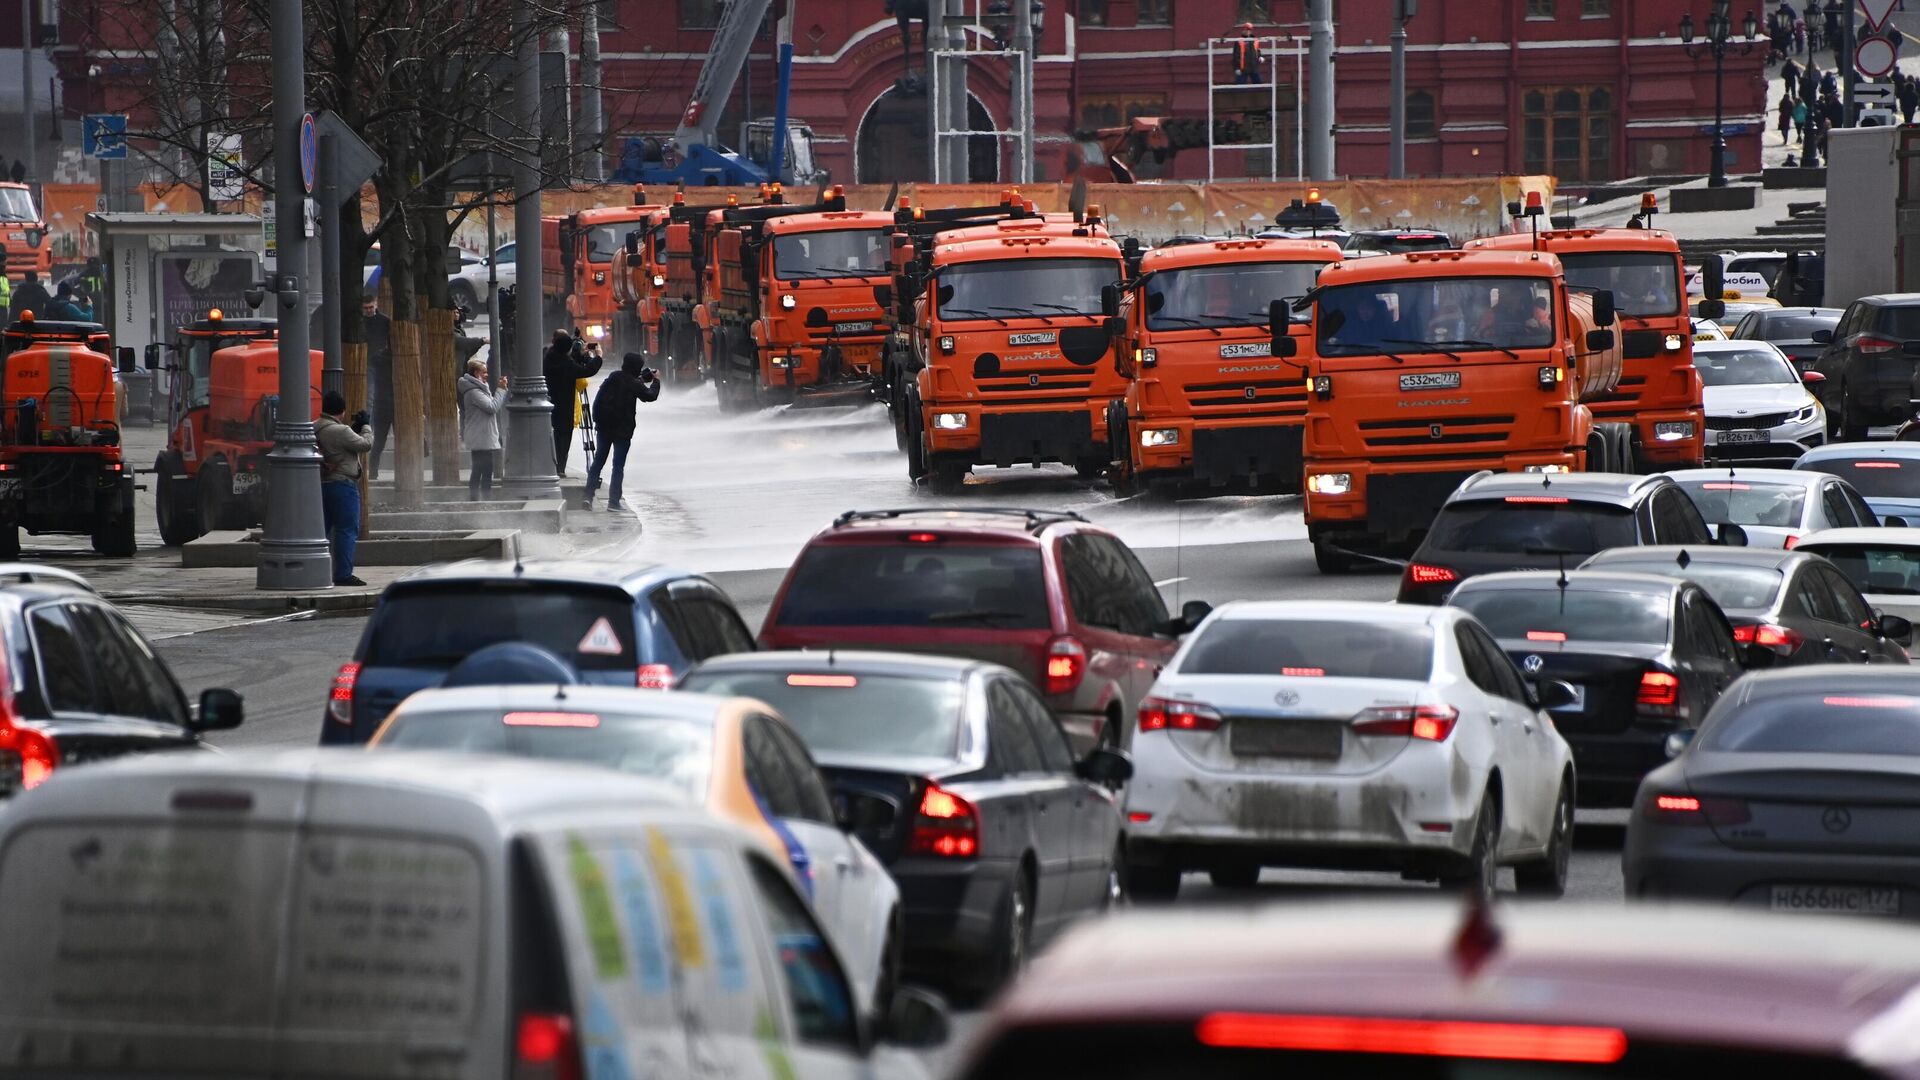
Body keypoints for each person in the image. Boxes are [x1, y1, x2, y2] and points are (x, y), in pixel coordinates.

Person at [584, 352, 661, 512]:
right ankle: (613, 502)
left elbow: (626, 383)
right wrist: (656, 381)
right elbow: (650, 396)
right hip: (622, 431)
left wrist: (641, 380)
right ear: (637, 368)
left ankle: (587, 497)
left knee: (598, 461)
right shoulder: (633, 384)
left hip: (604, 427)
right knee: (617, 466)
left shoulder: (613, 377)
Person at [314, 391, 373, 587]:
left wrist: (352, 429)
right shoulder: (341, 431)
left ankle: (318, 570)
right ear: (342, 410)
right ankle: (343, 574)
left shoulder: (315, 426)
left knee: (323, 530)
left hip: (322, 485)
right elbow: (365, 445)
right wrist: (365, 426)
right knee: (347, 530)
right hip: (343, 485)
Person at [543, 328, 603, 473]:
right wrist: (598, 357)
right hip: (564, 406)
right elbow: (587, 371)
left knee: (553, 435)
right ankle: (560, 468)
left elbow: (569, 363)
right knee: (563, 437)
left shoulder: (548, 356)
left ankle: (552, 465)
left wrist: (577, 354)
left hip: (548, 404)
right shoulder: (567, 364)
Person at [457, 357, 508, 501]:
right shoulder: (474, 392)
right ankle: (479, 499)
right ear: (475, 373)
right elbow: (492, 407)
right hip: (480, 436)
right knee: (482, 469)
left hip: (481, 435)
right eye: (484, 372)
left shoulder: (479, 388)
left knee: (483, 469)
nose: (487, 375)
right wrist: (501, 390)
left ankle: (481, 498)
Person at [362, 292, 393, 479]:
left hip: (381, 361)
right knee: (370, 397)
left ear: (376, 304)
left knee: (372, 396)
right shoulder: (362, 320)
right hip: (369, 361)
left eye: (371, 307)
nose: (368, 311)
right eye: (365, 308)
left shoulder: (384, 321)